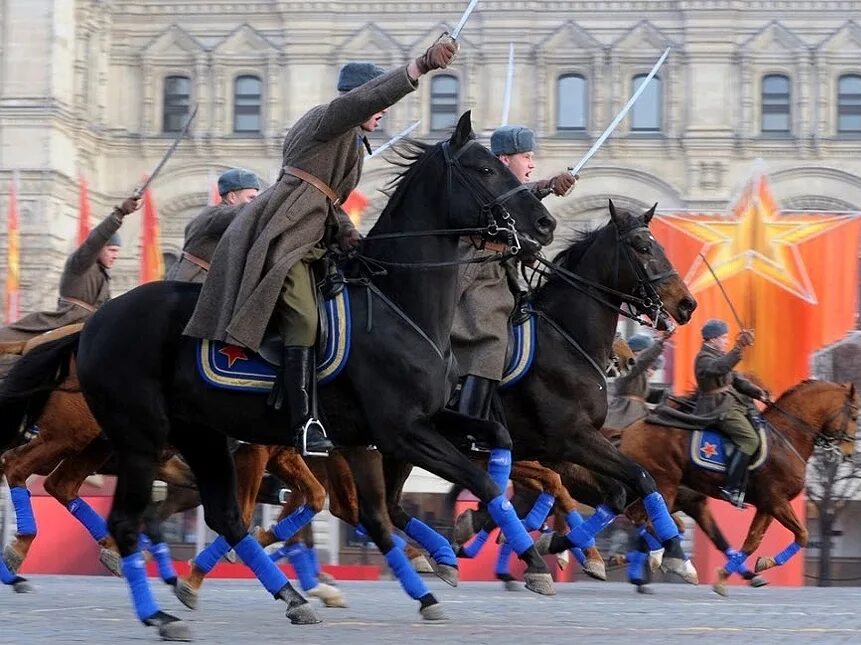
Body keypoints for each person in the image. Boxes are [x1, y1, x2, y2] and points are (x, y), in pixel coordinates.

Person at [183, 38, 458, 456]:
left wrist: (348, 231)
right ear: (357, 99)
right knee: (305, 320)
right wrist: (418, 67)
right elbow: (314, 191)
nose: (382, 111)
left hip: (315, 235)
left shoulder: (351, 144)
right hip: (287, 237)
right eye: (375, 100)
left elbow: (325, 201)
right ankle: (303, 421)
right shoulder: (329, 119)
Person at [451, 124, 574, 491]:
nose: (532, 163)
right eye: (527, 157)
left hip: (497, 274)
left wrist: (549, 189)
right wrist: (544, 188)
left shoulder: (503, 184)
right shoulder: (484, 182)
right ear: (505, 160)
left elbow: (519, 200)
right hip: (473, 273)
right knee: (490, 336)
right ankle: (467, 425)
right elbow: (509, 199)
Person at [0, 196, 141, 350]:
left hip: (91, 323)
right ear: (99, 249)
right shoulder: (81, 263)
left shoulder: (103, 275)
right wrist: (119, 214)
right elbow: (95, 240)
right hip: (68, 320)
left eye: (117, 251)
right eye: (112, 250)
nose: (115, 255)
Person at [694, 319, 771, 507]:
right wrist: (738, 347)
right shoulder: (704, 358)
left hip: (730, 404)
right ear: (712, 339)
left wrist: (759, 393)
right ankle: (730, 487)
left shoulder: (719, 355)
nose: (726, 341)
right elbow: (719, 368)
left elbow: (737, 380)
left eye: (727, 338)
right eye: (723, 338)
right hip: (716, 407)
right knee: (750, 440)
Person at [167, 169, 260, 283]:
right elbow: (238, 213)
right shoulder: (214, 215)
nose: (254, 203)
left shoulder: (217, 216)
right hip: (192, 282)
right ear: (232, 197)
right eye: (251, 198)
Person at [605, 329, 672, 444]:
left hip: (639, 410)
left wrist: (663, 394)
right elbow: (642, 361)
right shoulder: (627, 366)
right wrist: (660, 343)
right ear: (636, 353)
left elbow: (641, 390)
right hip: (627, 412)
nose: (651, 369)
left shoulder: (638, 372)